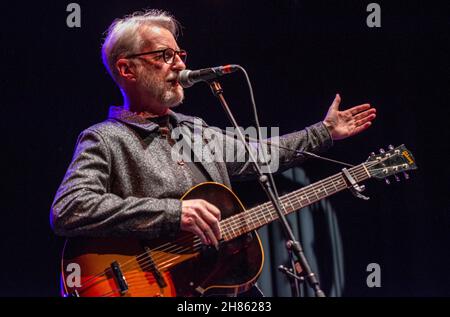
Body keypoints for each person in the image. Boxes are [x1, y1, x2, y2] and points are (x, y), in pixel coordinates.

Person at [50, 9, 376, 297]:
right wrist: (174, 213)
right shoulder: (106, 138)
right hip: (140, 282)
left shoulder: (196, 131)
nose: (179, 64)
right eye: (164, 55)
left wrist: (324, 132)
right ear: (127, 69)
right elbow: (69, 208)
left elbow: (262, 154)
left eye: (180, 54)